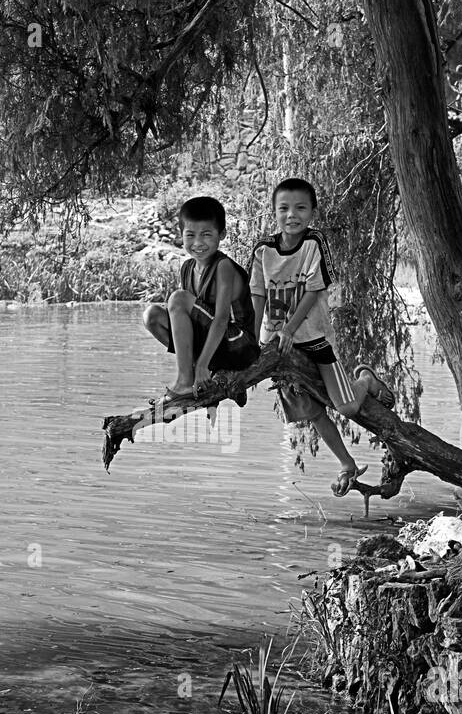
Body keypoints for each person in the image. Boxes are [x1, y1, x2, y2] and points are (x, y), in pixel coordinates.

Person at [249, 177, 394, 496]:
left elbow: (315, 290)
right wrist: (254, 338)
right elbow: (257, 294)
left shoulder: (313, 243)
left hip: (314, 338)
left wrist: (289, 328)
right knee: (311, 412)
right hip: (276, 348)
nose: (292, 215)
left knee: (346, 407)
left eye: (300, 208)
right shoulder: (263, 250)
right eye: (283, 208)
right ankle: (347, 464)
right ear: (274, 212)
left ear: (312, 212)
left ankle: (366, 380)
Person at [142, 196, 259, 406]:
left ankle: (186, 381)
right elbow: (189, 322)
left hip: (239, 344)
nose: (198, 243)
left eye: (206, 235)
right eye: (191, 235)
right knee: (152, 316)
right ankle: (196, 375)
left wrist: (204, 364)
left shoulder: (223, 267)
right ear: (181, 236)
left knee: (177, 298)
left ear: (221, 234)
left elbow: (222, 319)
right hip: (215, 346)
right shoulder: (187, 268)